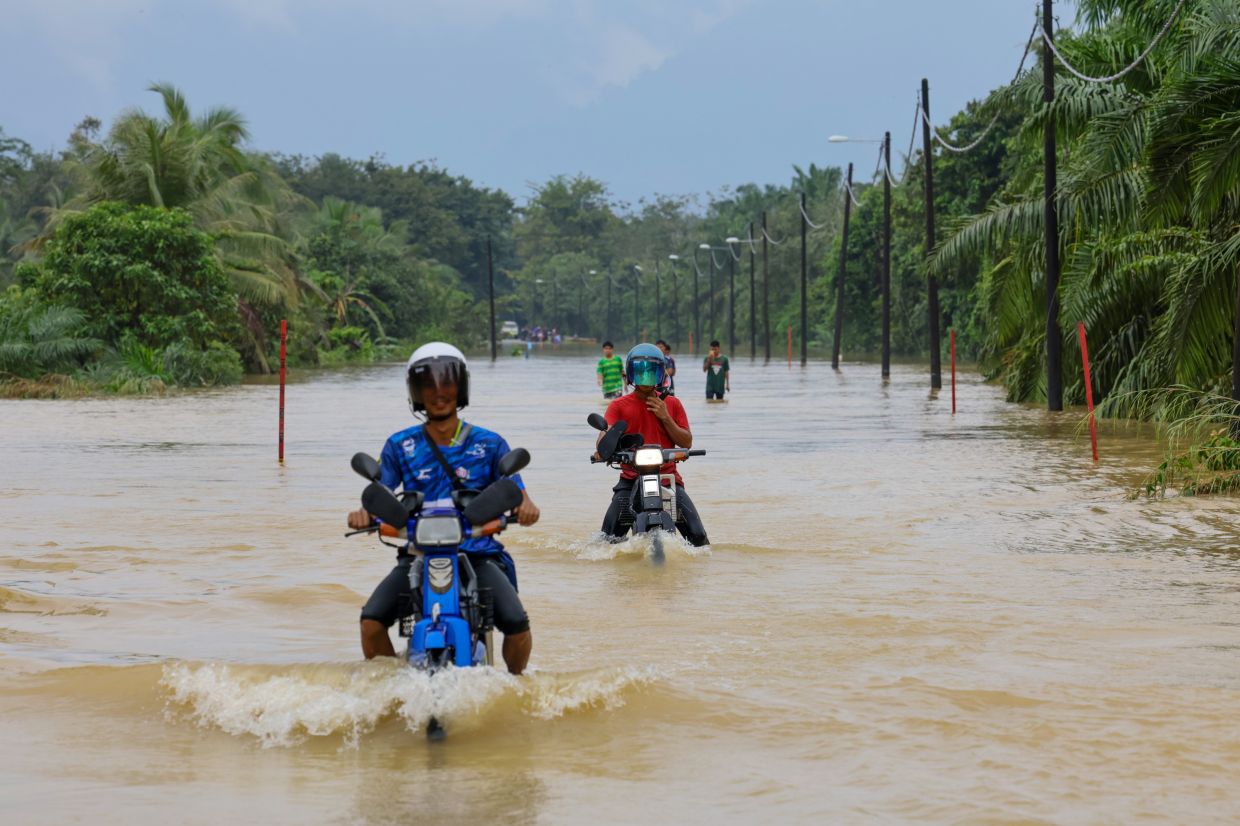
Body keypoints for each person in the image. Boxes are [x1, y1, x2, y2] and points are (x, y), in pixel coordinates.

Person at [346, 342, 541, 675]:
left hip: (476, 553)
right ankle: (394, 686)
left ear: (460, 387)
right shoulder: (399, 445)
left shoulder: (489, 443)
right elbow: (382, 493)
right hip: (418, 555)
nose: (439, 392)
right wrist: (365, 513)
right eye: (428, 385)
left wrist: (526, 506)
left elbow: (516, 491)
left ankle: (515, 685)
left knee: (518, 625)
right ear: (416, 392)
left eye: (447, 383)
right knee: (371, 623)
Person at [597, 343, 709, 546]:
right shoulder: (618, 406)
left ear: (660, 374)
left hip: (667, 479)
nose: (646, 376)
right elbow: (605, 433)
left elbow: (686, 442)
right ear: (632, 373)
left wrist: (665, 417)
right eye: (641, 370)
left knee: (699, 538)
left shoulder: (672, 404)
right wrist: (603, 448)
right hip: (631, 479)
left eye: (651, 371)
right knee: (606, 541)